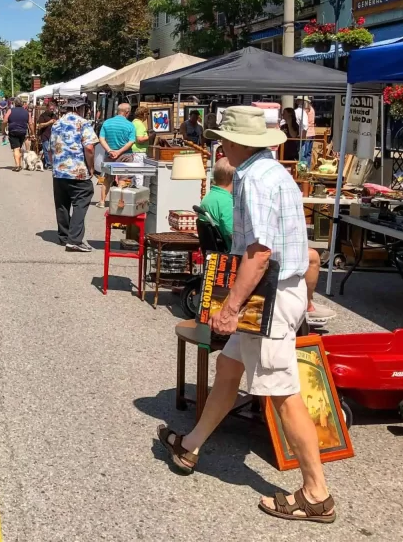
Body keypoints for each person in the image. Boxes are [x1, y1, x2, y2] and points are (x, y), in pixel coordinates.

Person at [158, 106, 336, 524]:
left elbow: (259, 252)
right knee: (229, 368)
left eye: (223, 139)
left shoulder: (252, 178)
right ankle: (191, 444)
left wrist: (231, 306)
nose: (219, 145)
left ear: (238, 142)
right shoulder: (273, 172)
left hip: (267, 295)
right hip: (277, 292)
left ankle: (316, 493)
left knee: (282, 393)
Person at [50, 100, 99, 252]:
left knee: (62, 204)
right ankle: (74, 240)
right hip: (77, 170)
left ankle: (64, 236)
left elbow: (52, 148)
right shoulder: (83, 123)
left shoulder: (56, 124)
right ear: (80, 108)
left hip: (59, 170)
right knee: (81, 201)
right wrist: (91, 167)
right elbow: (89, 148)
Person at [198, 157, 234, 248]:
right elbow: (233, 235)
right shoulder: (227, 202)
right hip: (230, 254)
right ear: (234, 177)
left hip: (213, 253)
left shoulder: (208, 198)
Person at [5, 97, 30, 172]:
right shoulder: (26, 112)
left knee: (16, 148)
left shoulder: (10, 110)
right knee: (19, 147)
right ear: (22, 103)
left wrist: (3, 130)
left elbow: (5, 120)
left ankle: (17, 165)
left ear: (15, 103)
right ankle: (20, 164)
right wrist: (32, 132)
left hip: (13, 131)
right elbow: (31, 123)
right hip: (23, 131)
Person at [295, 98, 313, 168]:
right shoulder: (303, 112)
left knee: (301, 154)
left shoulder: (296, 111)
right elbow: (305, 125)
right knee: (302, 154)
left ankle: (302, 171)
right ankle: (304, 171)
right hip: (302, 136)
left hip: (297, 135)